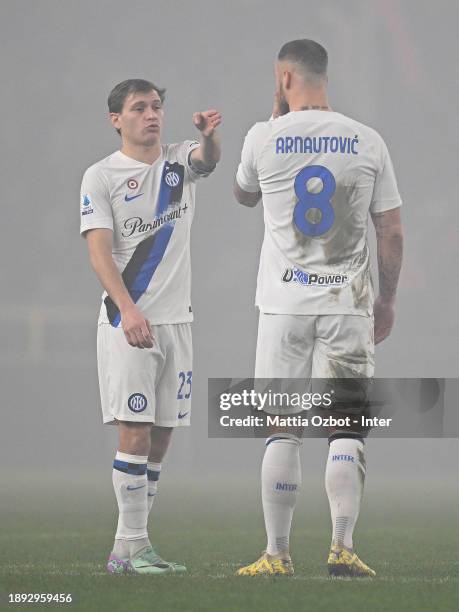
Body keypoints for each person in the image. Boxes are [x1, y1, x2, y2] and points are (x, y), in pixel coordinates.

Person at [233, 40, 403, 577]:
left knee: (282, 426)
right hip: (346, 303)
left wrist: (273, 118)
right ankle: (342, 547)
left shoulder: (263, 137)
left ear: (284, 78)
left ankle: (276, 554)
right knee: (346, 424)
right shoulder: (367, 140)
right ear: (324, 76)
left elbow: (243, 195)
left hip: (283, 304)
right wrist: (387, 297)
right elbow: (391, 230)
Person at [80, 79, 221, 574]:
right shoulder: (100, 176)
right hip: (128, 321)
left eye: (157, 106)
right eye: (139, 108)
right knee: (134, 431)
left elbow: (208, 161)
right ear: (116, 119)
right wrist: (128, 308)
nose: (152, 115)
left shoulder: (179, 161)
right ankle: (133, 545)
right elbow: (98, 250)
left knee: (161, 436)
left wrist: (209, 135)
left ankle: (129, 546)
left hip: (177, 322)